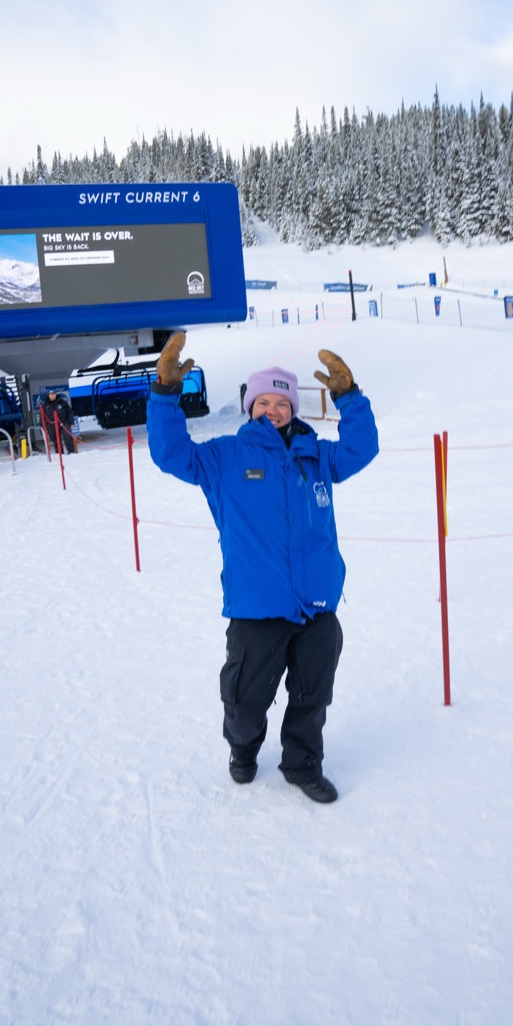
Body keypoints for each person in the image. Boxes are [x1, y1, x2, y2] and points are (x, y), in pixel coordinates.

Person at [147, 332, 379, 804]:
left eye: (282, 403)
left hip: (316, 605)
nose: (272, 410)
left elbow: (362, 449)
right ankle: (243, 750)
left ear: (294, 409)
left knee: (312, 698)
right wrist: (165, 394)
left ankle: (302, 765)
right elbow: (171, 453)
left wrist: (349, 398)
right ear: (250, 407)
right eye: (263, 402)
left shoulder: (316, 455)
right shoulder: (224, 457)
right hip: (256, 609)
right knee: (245, 701)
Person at [42, 389, 75, 453]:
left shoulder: (62, 402)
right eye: (51, 394)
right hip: (51, 424)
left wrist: (71, 422)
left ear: (56, 394)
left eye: (53, 394)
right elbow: (42, 417)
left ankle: (71, 451)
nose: (52, 395)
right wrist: (43, 427)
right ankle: (59, 452)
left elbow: (70, 412)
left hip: (63, 422)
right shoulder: (45, 405)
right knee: (55, 439)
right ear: (48, 395)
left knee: (67, 436)